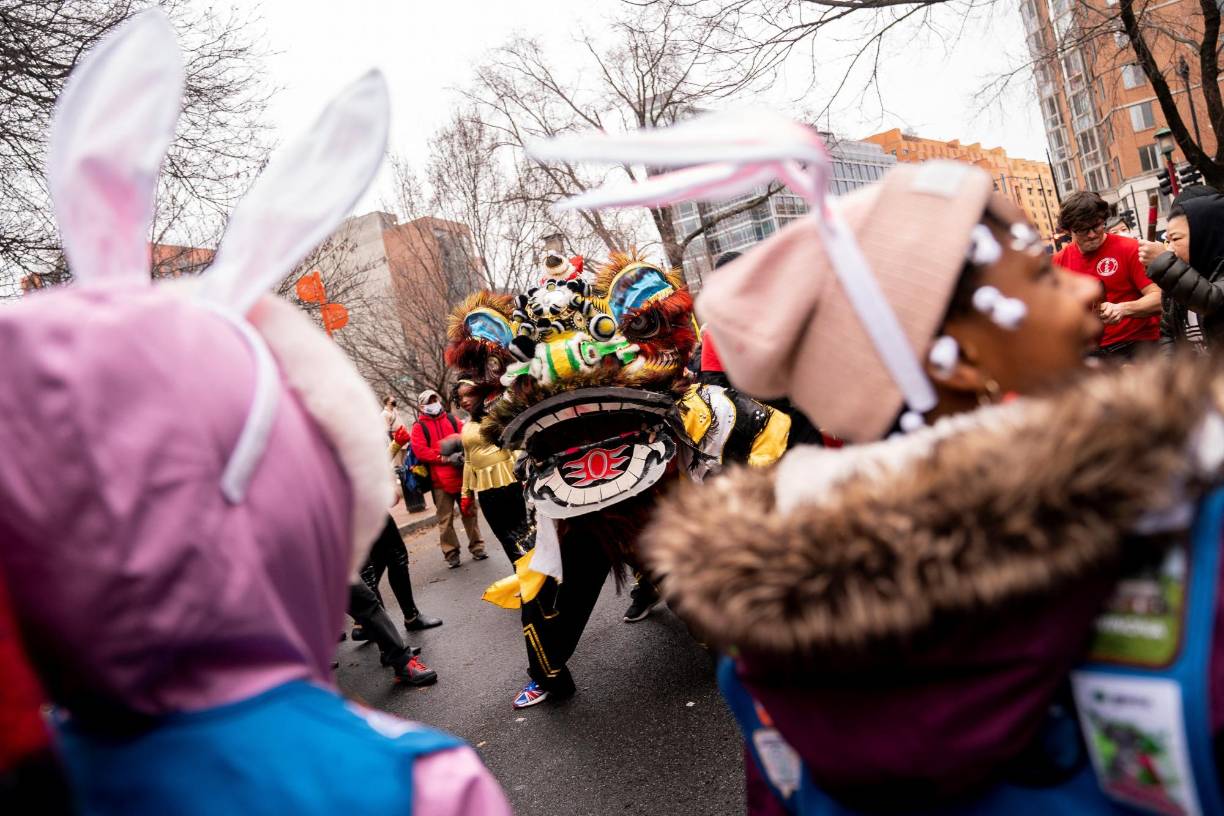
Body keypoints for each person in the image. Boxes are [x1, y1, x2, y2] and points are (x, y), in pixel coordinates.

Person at [565, 113, 1224, 813]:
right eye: (1040, 273)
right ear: (961, 359)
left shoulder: (764, 654)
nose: (1086, 287)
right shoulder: (1178, 532)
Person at [0, 15, 510, 815]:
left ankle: (401, 631)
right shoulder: (414, 784)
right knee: (370, 589)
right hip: (320, 621)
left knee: (385, 581)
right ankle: (398, 644)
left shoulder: (34, 773)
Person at [1053, 190, 1161, 359]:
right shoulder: (1058, 263)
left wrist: (1123, 309)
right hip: (1089, 353)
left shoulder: (1130, 249)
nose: (1092, 234)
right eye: (1082, 230)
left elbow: (1158, 299)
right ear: (1069, 231)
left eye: (1096, 226)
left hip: (1138, 345)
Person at [1138, 185, 1224, 354]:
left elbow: (1211, 301)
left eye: (1176, 239)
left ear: (1203, 232)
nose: (1169, 248)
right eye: (1167, 240)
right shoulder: (1175, 275)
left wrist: (1162, 261)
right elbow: (1168, 334)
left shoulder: (1173, 272)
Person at [454, 379, 531, 565]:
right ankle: (523, 580)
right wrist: (466, 494)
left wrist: (524, 474)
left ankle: (539, 581)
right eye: (460, 397)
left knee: (523, 535)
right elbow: (469, 461)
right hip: (486, 491)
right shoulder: (467, 426)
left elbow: (516, 447)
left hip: (508, 484)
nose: (464, 400)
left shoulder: (497, 415)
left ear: (480, 393)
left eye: (469, 394)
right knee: (504, 538)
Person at [410, 389, 487, 568]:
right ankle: (451, 552)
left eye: (434, 400)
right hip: (439, 482)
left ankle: (477, 547)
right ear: (422, 406)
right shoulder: (419, 427)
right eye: (429, 402)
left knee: (470, 512)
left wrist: (461, 453)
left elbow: (466, 438)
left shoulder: (452, 419)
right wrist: (444, 458)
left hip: (461, 476)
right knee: (445, 519)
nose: (433, 404)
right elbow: (420, 451)